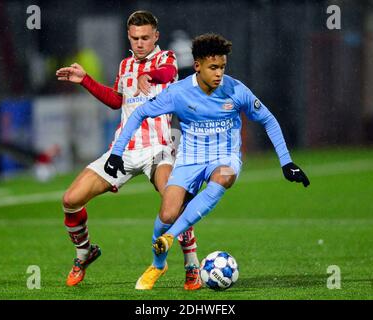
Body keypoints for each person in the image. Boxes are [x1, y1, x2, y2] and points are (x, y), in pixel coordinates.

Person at [105, 33, 310, 289]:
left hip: (224, 157)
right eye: (213, 67)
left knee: (224, 175)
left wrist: (286, 161)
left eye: (222, 67)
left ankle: (170, 237)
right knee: (167, 213)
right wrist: (116, 152)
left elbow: (268, 118)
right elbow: (140, 114)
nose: (219, 73)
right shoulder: (178, 93)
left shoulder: (235, 90)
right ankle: (158, 264)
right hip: (190, 160)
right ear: (197, 65)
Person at [55, 11, 202, 290]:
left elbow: (168, 73)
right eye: (135, 38)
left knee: (173, 204)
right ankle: (84, 253)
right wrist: (85, 80)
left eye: (146, 37)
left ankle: (192, 264)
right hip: (123, 150)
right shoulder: (124, 66)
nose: (140, 43)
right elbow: (117, 101)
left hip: (158, 148)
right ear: (128, 37)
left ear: (156, 36)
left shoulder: (165, 59)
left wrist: (149, 74)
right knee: (70, 200)